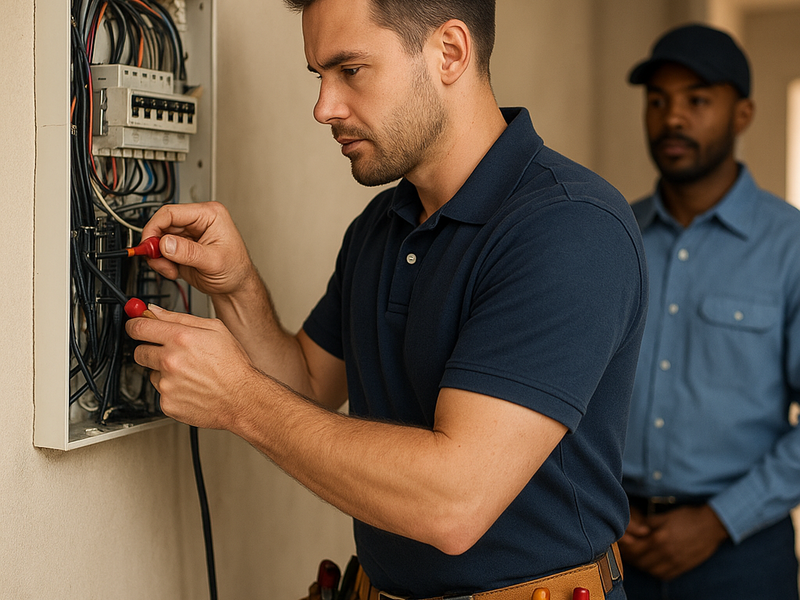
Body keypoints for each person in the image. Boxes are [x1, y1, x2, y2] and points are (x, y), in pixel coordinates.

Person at [127, 0, 647, 598]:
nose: (323, 108)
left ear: (449, 52)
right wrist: (237, 287)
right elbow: (307, 388)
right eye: (318, 76)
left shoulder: (570, 228)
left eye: (350, 70)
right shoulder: (380, 225)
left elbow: (453, 503)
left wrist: (239, 400)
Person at [620, 23, 800, 599]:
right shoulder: (608, 237)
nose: (672, 118)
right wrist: (595, 503)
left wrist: (719, 520)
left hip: (743, 557)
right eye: (658, 102)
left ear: (743, 113)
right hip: (607, 542)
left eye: (696, 100)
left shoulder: (791, 247)